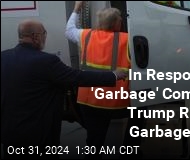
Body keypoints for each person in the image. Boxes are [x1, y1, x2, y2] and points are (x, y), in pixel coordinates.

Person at [1, 19, 127, 159]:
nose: (45, 37)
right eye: (44, 33)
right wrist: (114, 75)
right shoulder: (46, 61)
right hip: (39, 135)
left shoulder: (3, 57)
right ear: (35, 37)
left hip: (9, 133)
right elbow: (78, 78)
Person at [65, 1, 145, 159]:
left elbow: (69, 30)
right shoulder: (128, 40)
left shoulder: (85, 35)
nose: (122, 21)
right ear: (116, 23)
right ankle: (129, 150)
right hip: (117, 103)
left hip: (89, 102)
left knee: (94, 142)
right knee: (142, 108)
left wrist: (76, 9)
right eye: (120, 19)